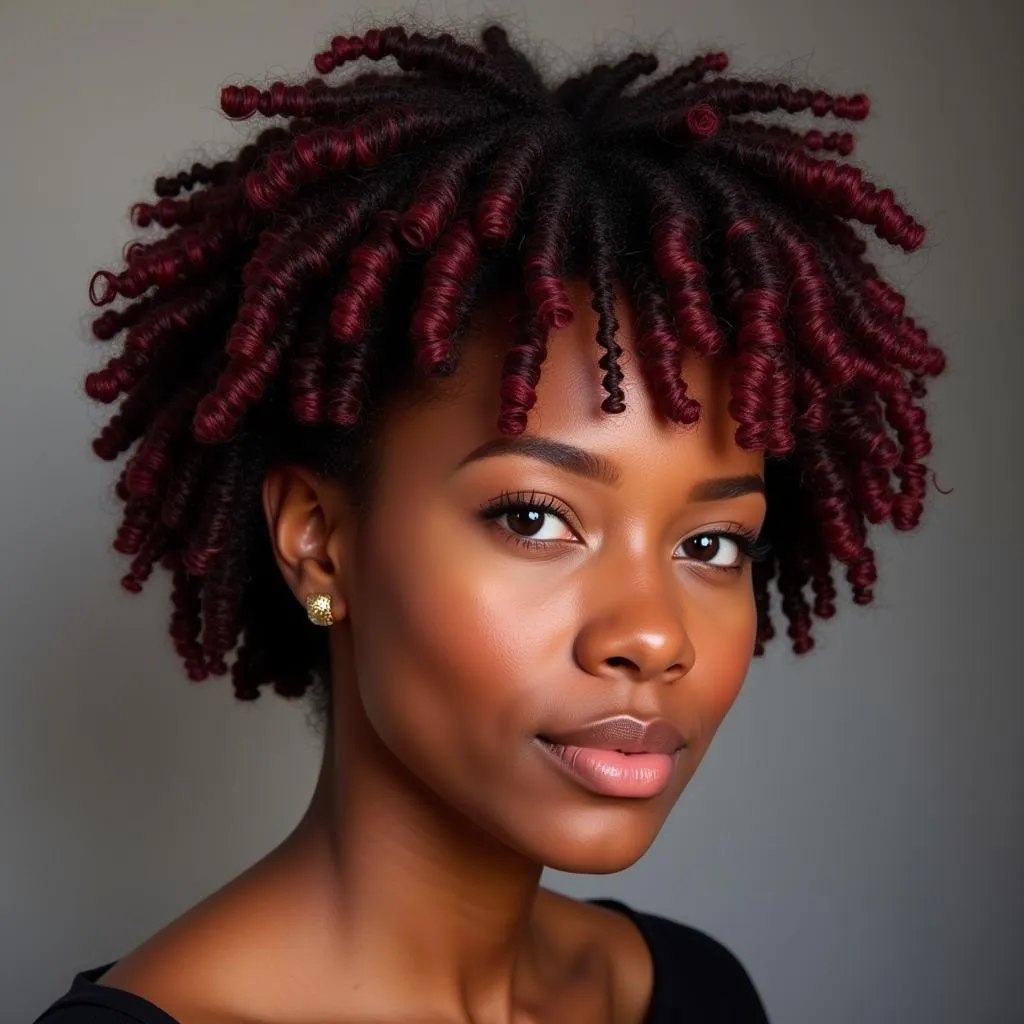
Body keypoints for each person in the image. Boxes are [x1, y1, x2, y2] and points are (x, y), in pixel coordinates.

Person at [32, 18, 945, 1024]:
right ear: (315, 539)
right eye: (535, 517)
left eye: (709, 544)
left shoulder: (692, 992)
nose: (651, 633)